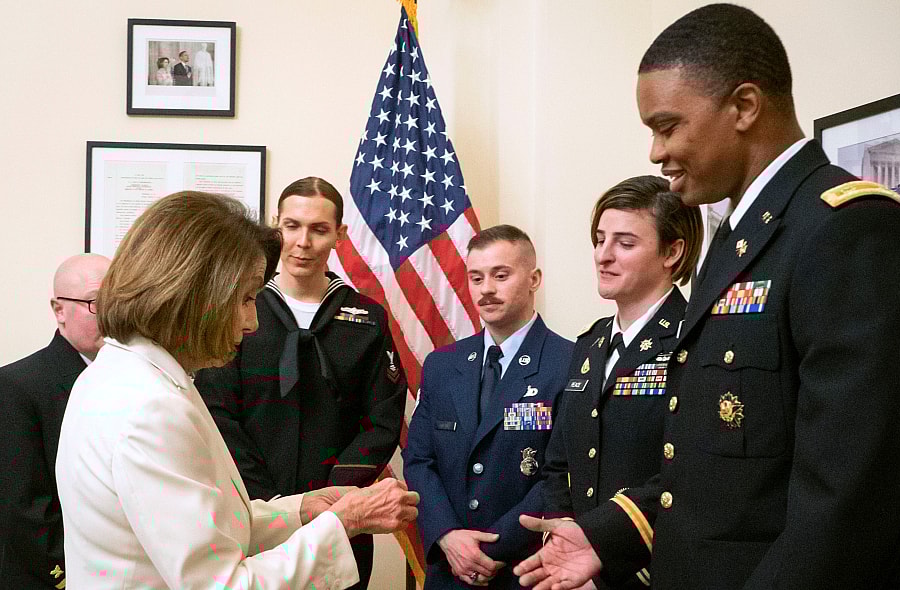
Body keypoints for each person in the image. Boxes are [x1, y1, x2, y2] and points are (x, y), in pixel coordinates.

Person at [515, 4, 900, 589]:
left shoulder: (851, 230)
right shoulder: (735, 241)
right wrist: (608, 533)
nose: (655, 152)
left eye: (667, 127)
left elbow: (849, 507)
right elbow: (709, 459)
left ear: (744, 106)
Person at [55, 191, 419, 589]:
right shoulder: (152, 410)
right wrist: (345, 521)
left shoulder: (124, 374)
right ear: (196, 297)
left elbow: (207, 526)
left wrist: (302, 510)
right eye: (246, 299)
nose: (252, 323)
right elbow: (224, 583)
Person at [196, 177, 407, 589]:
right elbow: (217, 415)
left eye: (318, 229)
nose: (303, 242)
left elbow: (382, 420)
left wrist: (334, 501)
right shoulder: (240, 309)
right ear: (277, 227)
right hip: (252, 514)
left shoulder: (366, 319)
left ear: (339, 236)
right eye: (291, 226)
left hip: (342, 516)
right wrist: (272, 503)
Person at [540, 176, 701, 589]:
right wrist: (560, 543)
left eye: (625, 243)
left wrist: (605, 556)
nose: (603, 256)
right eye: (599, 240)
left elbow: (691, 473)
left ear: (673, 252)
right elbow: (559, 463)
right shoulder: (591, 341)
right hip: (576, 572)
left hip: (653, 570)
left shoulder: (694, 338)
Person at [404, 225, 574, 588]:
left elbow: (563, 474)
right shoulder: (442, 365)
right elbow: (419, 461)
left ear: (534, 279)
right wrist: (448, 535)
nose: (487, 290)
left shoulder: (569, 363)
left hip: (524, 569)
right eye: (476, 278)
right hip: (449, 570)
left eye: (501, 275)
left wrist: (495, 548)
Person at [0, 254, 110, 589]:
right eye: (94, 303)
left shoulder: (127, 380)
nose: (108, 315)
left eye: (115, 301)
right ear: (59, 309)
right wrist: (66, 575)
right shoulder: (17, 385)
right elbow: (24, 507)